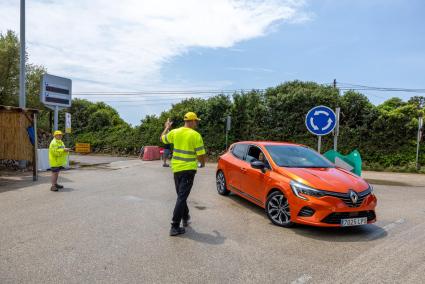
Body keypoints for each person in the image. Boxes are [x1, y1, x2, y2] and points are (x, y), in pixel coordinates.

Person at [160, 112, 206, 236]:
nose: (197, 123)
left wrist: (167, 127)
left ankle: (185, 217)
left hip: (176, 169)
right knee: (181, 197)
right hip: (188, 171)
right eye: (196, 121)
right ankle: (174, 226)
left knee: (181, 196)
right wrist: (202, 164)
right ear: (191, 121)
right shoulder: (195, 135)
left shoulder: (175, 132)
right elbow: (200, 154)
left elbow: (162, 138)